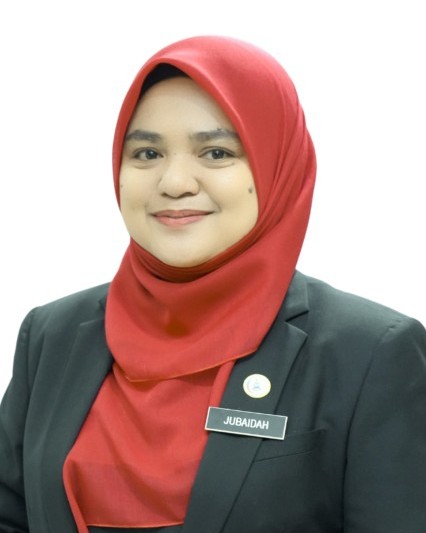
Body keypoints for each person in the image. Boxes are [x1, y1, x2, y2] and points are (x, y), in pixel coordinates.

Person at [0, 35, 425, 533]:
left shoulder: (370, 354)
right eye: (147, 153)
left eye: (217, 152)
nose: (174, 182)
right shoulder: (51, 335)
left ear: (275, 166)